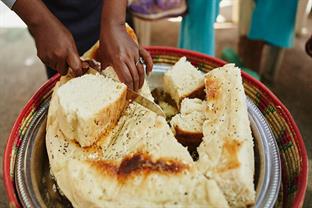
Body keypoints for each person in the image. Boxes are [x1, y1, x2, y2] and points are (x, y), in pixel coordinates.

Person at [2, 0, 153, 91]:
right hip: (47, 9)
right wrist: (40, 22)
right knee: (64, 65)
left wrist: (115, 22)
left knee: (122, 62)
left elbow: (115, 24)